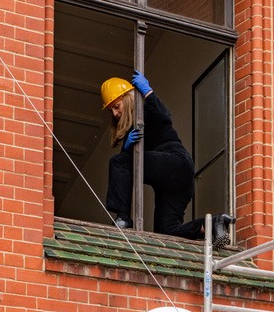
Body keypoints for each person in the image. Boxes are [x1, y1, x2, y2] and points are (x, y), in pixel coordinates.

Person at [101, 72, 235, 248]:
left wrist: (148, 92)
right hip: (175, 182)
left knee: (117, 162)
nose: (115, 113)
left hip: (176, 163)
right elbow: (127, 167)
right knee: (166, 232)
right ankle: (213, 224)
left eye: (116, 106)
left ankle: (123, 218)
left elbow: (164, 116)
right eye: (111, 110)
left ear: (128, 99)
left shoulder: (146, 110)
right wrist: (126, 146)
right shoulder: (130, 131)